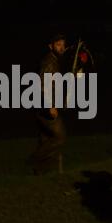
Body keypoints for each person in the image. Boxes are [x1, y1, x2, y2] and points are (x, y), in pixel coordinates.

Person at [29, 34, 68, 175]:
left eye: (63, 45)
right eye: (58, 44)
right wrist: (50, 105)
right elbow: (43, 83)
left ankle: (40, 171)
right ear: (51, 46)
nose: (62, 47)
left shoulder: (55, 60)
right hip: (46, 106)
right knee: (60, 136)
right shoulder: (49, 61)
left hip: (43, 105)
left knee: (46, 137)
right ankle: (34, 159)